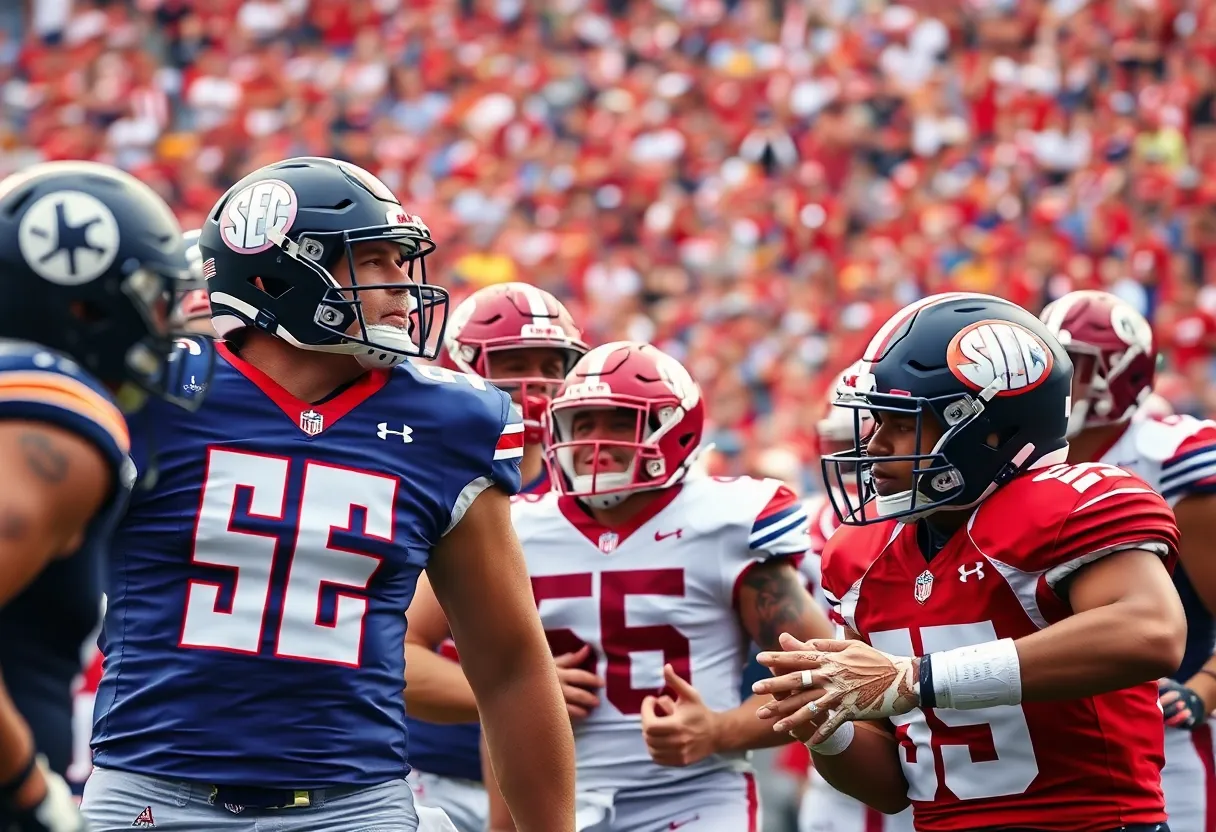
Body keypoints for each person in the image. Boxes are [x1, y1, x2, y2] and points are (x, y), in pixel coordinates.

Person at [78, 157, 574, 832]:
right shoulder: (150, 393)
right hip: (151, 796)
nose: (405, 288)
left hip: (354, 804)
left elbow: (510, 663)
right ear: (277, 274)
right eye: (373, 262)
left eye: (403, 262)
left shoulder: (450, 421)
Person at [752, 292, 1186, 832]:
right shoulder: (859, 553)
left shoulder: (1070, 503)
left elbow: (1151, 632)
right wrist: (827, 721)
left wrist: (916, 679)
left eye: (900, 422)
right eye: (874, 421)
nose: (874, 444)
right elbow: (890, 789)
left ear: (992, 431)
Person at [486, 341, 834, 831]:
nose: (595, 443)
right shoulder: (517, 528)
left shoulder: (723, 521)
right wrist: (524, 692)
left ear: (675, 428)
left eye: (618, 421)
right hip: (558, 803)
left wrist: (718, 730)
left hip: (696, 799)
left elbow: (823, 678)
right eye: (583, 423)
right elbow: (415, 652)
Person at [0, 161, 205, 830]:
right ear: (82, 306)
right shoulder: (54, 414)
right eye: (153, 301)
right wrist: (29, 787)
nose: (167, 331)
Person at [403, 281, 587, 832]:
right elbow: (397, 658)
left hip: (586, 777)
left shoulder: (596, 499)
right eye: (511, 362)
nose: (532, 384)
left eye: (548, 363)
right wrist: (534, 692)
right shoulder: (430, 481)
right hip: (432, 773)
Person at [1041, 289, 1216, 832]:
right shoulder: (1030, 456)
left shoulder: (1169, 457)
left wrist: (1202, 691)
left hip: (1169, 730)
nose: (1058, 380)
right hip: (1064, 733)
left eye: (1076, 365)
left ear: (1120, 374)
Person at [794, 365, 914, 832]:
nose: (871, 458)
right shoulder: (800, 527)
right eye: (850, 447)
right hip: (844, 750)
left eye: (898, 430)